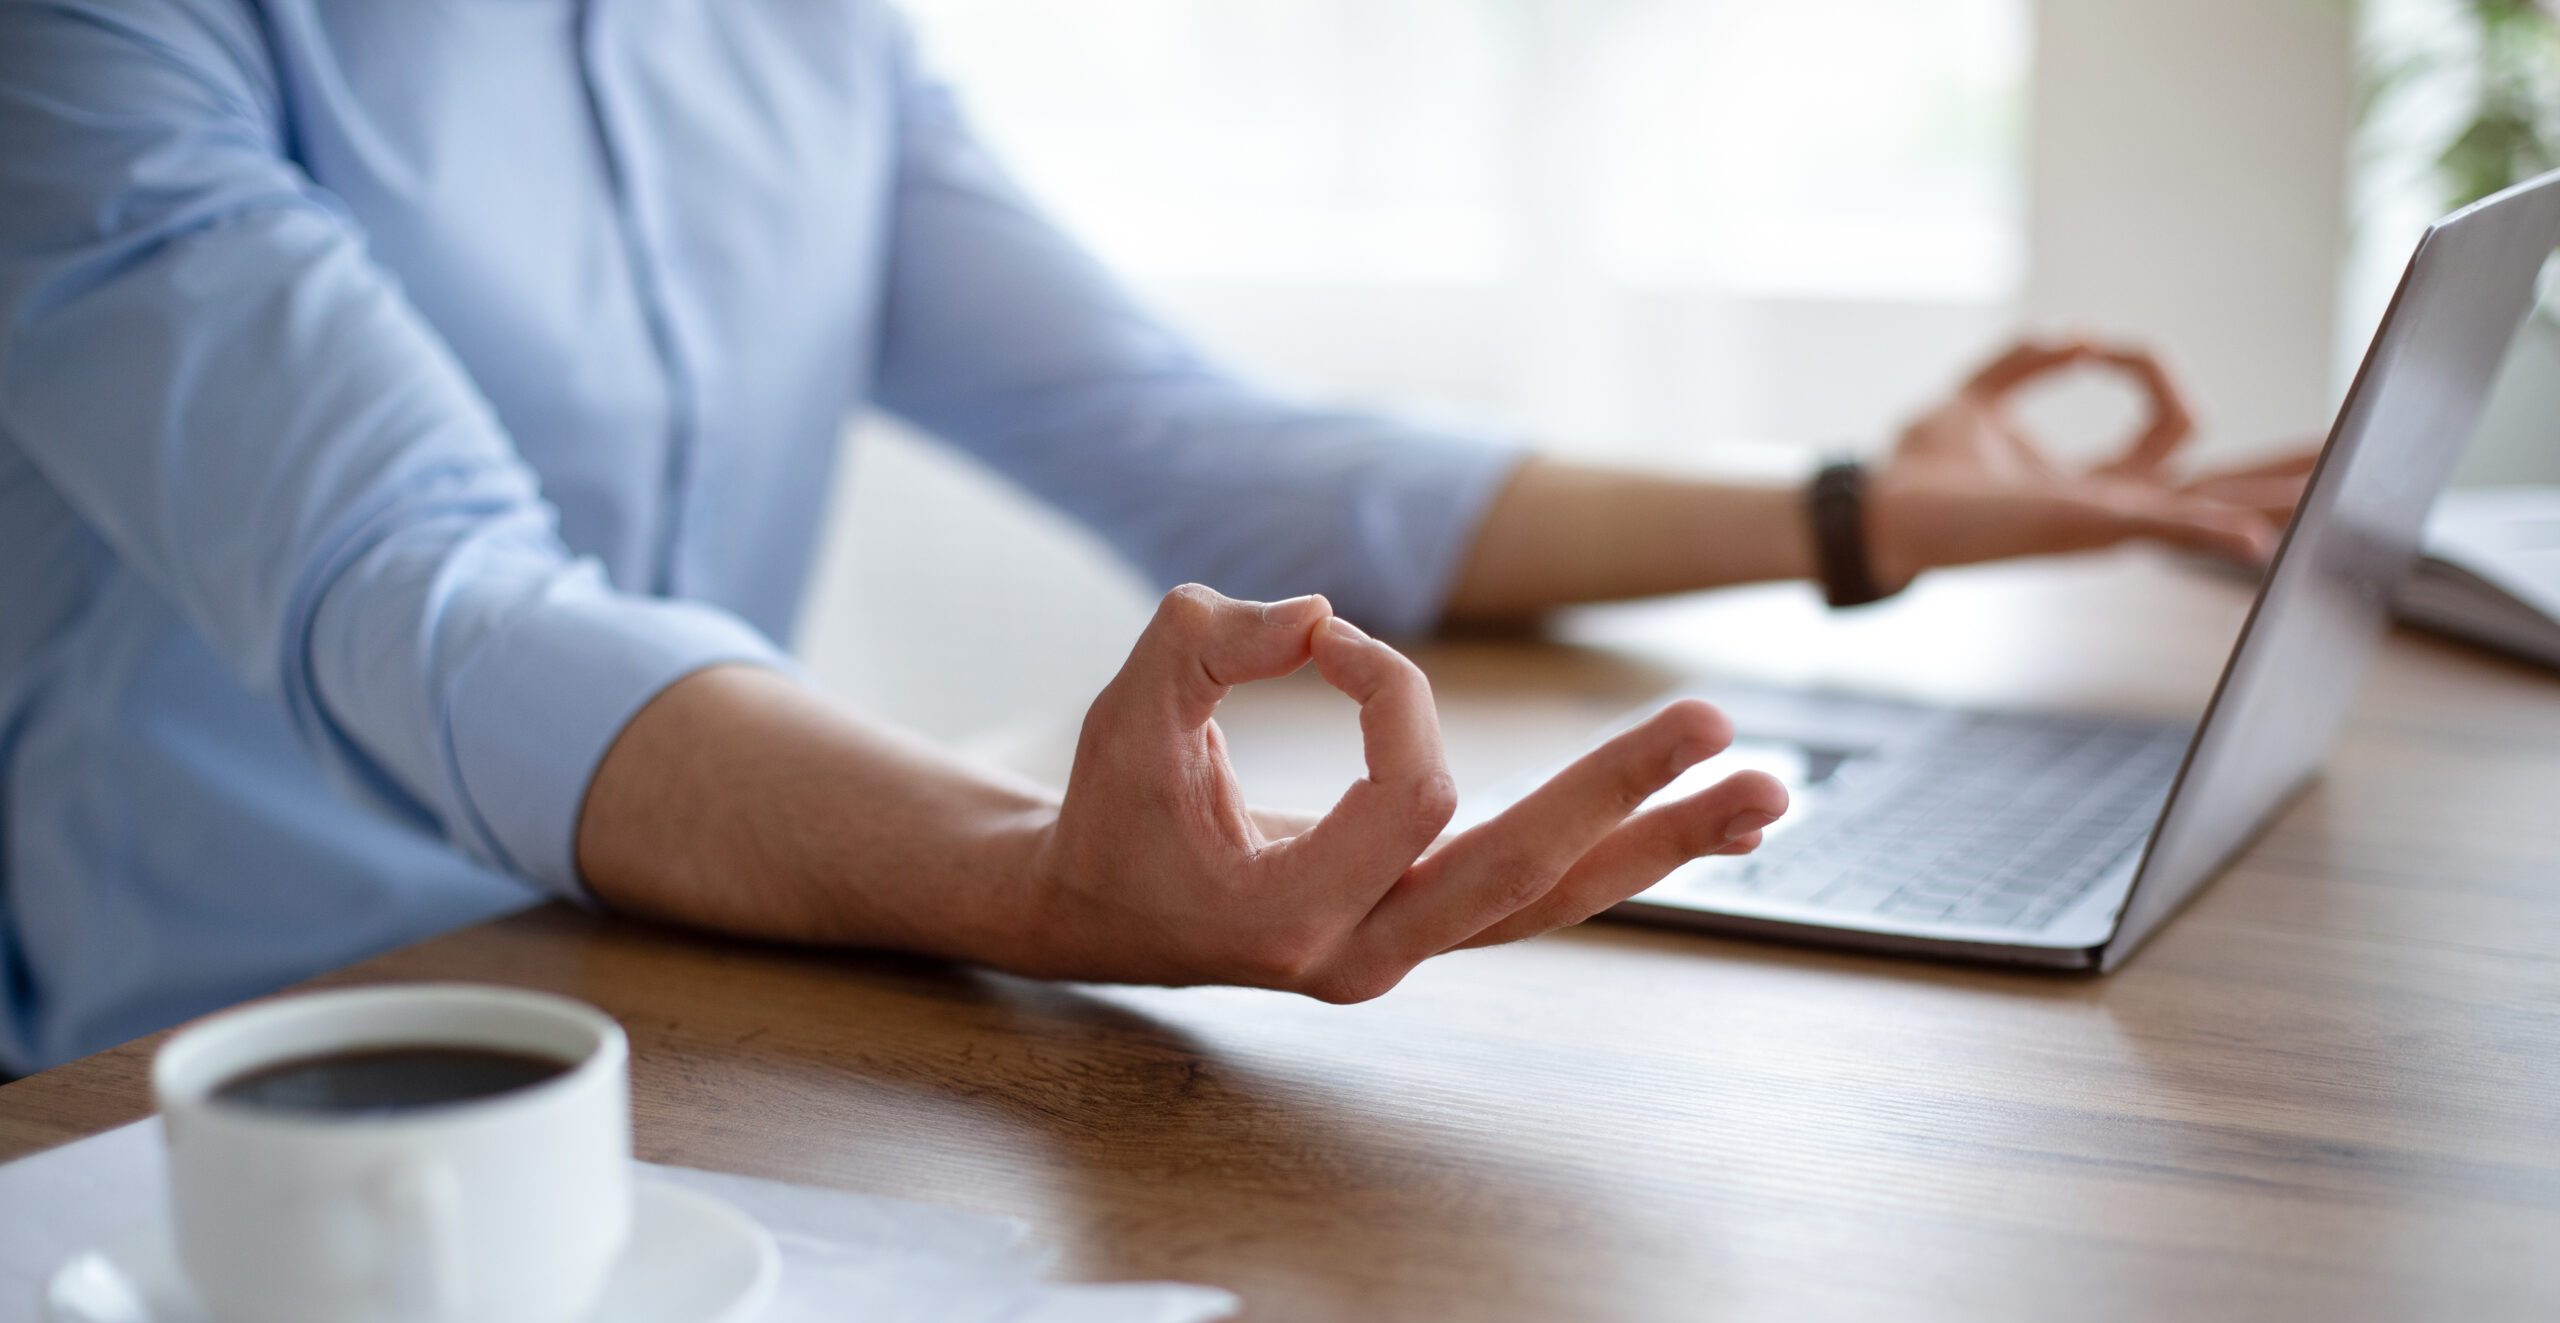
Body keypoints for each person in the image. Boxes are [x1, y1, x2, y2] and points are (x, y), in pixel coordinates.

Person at [0, 1, 2303, 1075]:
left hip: (697, 1000)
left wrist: (1866, 510)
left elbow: (1200, 448)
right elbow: (432, 590)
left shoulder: (800, 38)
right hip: (211, 1077)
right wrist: (1036, 873)